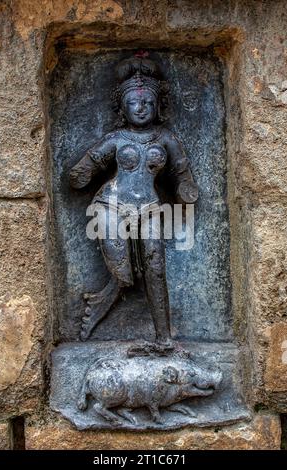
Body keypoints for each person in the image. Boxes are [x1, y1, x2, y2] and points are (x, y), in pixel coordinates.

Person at [70, 54, 198, 351]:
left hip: (150, 208)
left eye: (149, 102)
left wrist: (185, 188)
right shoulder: (116, 138)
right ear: (122, 108)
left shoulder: (166, 138)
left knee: (155, 267)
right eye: (134, 103)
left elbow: (181, 173)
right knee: (123, 272)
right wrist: (81, 174)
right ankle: (109, 295)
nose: (142, 107)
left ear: (158, 106)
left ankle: (163, 337)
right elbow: (87, 165)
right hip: (112, 205)